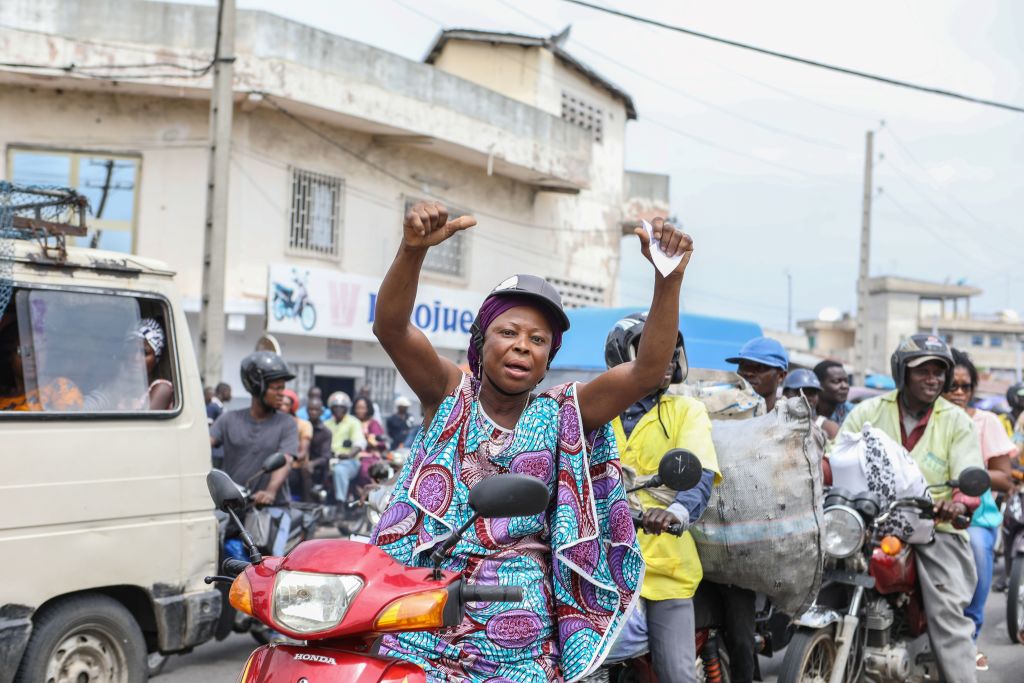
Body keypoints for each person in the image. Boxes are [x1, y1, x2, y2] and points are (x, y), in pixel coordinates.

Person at [370, 201, 692, 681]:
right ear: (481, 343)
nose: (523, 345)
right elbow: (391, 328)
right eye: (508, 332)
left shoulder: (565, 411)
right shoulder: (448, 394)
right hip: (420, 609)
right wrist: (411, 251)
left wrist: (668, 281)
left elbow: (647, 371)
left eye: (538, 340)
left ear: (546, 361)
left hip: (516, 631)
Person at [841, 334, 984, 682]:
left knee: (948, 618)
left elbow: (969, 477)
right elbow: (838, 452)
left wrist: (957, 503)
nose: (933, 379)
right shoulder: (869, 411)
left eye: (939, 372)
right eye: (923, 371)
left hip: (935, 528)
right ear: (902, 372)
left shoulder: (957, 421)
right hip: (872, 522)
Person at [606, 313, 720, 683]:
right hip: (597, 562)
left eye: (673, 354)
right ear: (623, 357)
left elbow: (699, 474)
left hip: (662, 569)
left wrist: (673, 512)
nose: (667, 362)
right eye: (655, 351)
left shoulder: (687, 411)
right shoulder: (596, 410)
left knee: (677, 676)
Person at [942, 349, 1015, 670]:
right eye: (952, 386)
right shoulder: (923, 420)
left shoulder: (985, 422)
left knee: (975, 546)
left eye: (965, 386)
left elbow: (1004, 477)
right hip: (921, 511)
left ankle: (969, 636)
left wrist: (962, 480)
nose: (959, 393)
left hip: (971, 516)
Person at [209, 351, 298, 556]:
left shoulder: (286, 424)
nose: (282, 393)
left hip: (271, 510)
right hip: (233, 511)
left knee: (267, 573)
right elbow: (203, 445)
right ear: (257, 387)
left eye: (283, 388)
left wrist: (270, 491)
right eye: (276, 388)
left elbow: (285, 459)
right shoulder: (228, 420)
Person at [325, 391, 366, 505]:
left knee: (339, 470)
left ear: (346, 408)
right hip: (329, 460)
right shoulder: (327, 424)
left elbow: (360, 443)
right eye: (335, 407)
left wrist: (349, 455)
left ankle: (340, 504)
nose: (338, 410)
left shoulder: (354, 422)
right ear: (331, 409)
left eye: (341, 407)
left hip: (349, 462)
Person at [726, 337, 788, 411]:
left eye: (760, 366)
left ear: (781, 376)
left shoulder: (792, 420)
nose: (748, 373)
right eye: (743, 364)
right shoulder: (720, 413)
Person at [783, 368, 839, 440]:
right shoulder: (774, 422)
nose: (807, 398)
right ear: (785, 393)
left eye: (813, 393)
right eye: (801, 392)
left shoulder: (828, 428)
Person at [134, 317, 174, 410]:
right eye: (132, 350)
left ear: (156, 358)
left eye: (145, 353)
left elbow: (143, 424)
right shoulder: (131, 386)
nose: (135, 358)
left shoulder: (162, 388)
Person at [281, 389, 314, 497]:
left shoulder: (304, 425)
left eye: (285, 404)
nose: (281, 407)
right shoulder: (271, 423)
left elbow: (302, 454)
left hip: (294, 466)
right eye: (280, 403)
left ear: (292, 406)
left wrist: (286, 459)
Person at [814, 360, 853, 425]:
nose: (844, 386)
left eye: (846, 381)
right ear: (818, 384)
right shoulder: (804, 411)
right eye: (836, 381)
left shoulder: (854, 413)